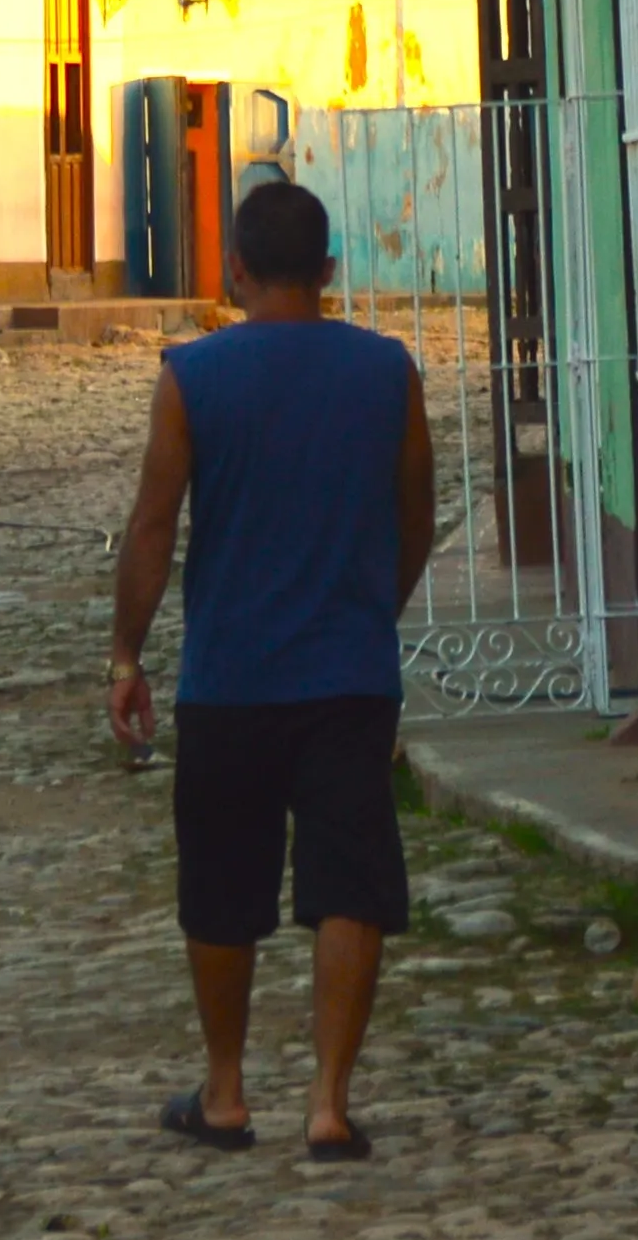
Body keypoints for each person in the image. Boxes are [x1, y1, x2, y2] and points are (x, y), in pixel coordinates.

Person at [105, 176, 434, 1163]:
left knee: (221, 884)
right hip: (347, 671)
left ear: (235, 270)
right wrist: (376, 605)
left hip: (229, 674)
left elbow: (154, 527)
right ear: (330, 272)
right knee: (350, 883)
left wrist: (126, 653)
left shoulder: (192, 377)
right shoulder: (387, 373)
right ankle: (329, 1103)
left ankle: (225, 1090)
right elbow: (414, 513)